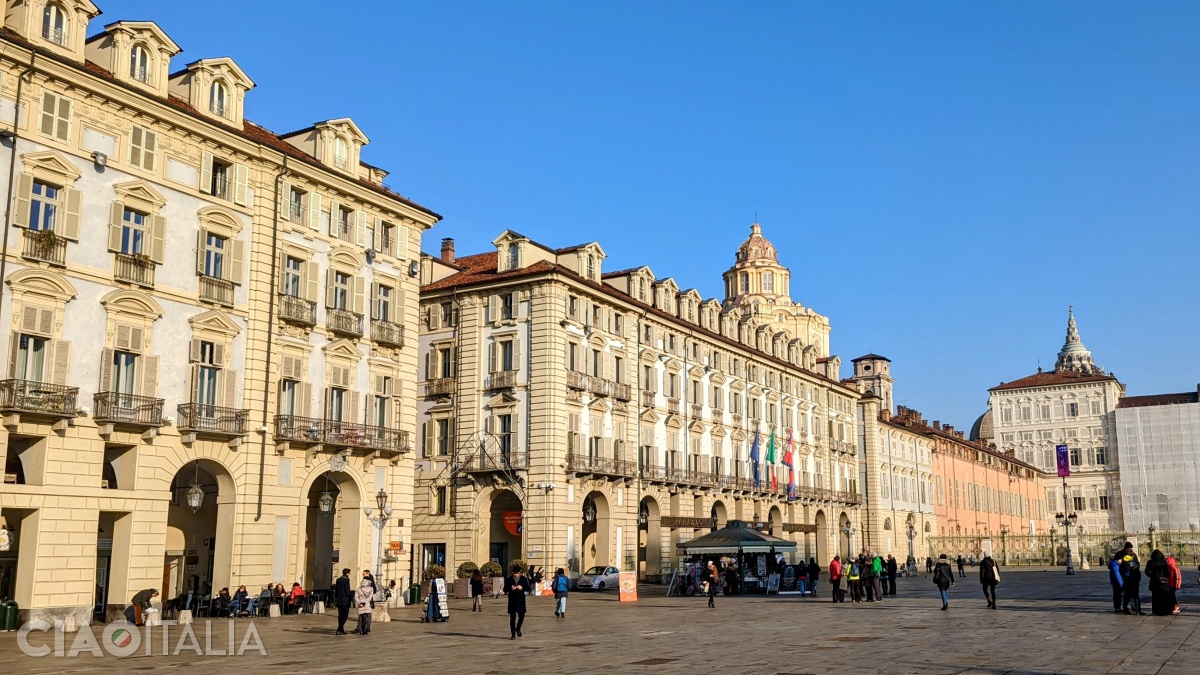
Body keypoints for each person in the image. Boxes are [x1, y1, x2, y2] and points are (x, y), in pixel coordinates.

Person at [504, 563, 531, 640]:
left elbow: (528, 588)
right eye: (515, 573)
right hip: (512, 600)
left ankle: (518, 628)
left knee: (522, 616)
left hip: (521, 599)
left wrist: (522, 587)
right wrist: (510, 588)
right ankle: (513, 634)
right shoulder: (509, 579)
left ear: (520, 573)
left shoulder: (523, 579)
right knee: (512, 618)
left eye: (517, 573)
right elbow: (505, 589)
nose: (516, 575)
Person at [1146, 550, 1172, 616]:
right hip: (1163, 582)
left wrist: (1152, 575)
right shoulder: (1164, 562)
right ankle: (1165, 610)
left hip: (1154, 582)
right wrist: (1165, 576)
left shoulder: (1150, 562)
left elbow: (1147, 572)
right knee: (1164, 596)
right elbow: (1168, 572)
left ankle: (1156, 610)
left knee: (1155, 597)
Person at [334, 568, 353, 635]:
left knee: (340, 615)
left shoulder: (338, 580)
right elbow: (347, 591)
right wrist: (351, 596)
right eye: (349, 573)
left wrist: (336, 598)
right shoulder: (346, 580)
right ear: (347, 573)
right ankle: (339, 629)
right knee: (345, 615)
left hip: (339, 600)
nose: (350, 574)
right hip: (345, 600)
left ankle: (341, 630)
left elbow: (336, 590)